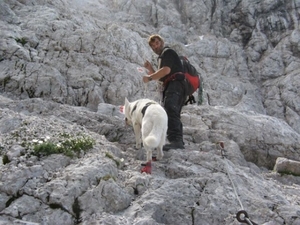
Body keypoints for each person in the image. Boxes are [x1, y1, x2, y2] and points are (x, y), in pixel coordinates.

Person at [143, 34, 188, 151]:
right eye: (152, 46)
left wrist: (149, 78)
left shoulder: (167, 52)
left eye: (156, 43)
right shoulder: (164, 57)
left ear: (162, 42)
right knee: (173, 111)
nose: (155, 47)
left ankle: (176, 141)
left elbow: (166, 71)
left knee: (170, 109)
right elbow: (162, 77)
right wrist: (151, 70)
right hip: (177, 86)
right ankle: (178, 141)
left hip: (175, 85)